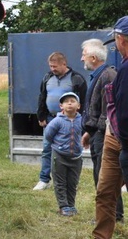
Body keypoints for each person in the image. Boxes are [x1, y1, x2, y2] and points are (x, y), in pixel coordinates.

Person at [88, 15, 128, 239]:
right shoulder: (122, 66)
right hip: (114, 137)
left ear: (122, 39)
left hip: (125, 139)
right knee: (105, 190)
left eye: (115, 40)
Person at [79, 39, 122, 220]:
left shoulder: (107, 75)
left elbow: (109, 111)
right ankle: (110, 214)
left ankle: (113, 215)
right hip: (97, 132)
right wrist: (89, 131)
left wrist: (101, 133)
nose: (82, 59)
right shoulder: (98, 75)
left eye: (84, 55)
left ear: (94, 57)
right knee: (100, 174)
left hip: (105, 134)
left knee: (106, 177)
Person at [34, 52, 86, 190]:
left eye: (55, 66)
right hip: (51, 118)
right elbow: (42, 96)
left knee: (69, 148)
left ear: (64, 64)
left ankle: (70, 179)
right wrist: (41, 116)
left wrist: (79, 120)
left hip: (70, 119)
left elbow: (84, 102)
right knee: (46, 148)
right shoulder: (47, 77)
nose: (52, 69)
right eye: (50, 66)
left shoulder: (77, 79)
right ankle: (44, 179)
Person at [44, 92, 84, 216]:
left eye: (73, 101)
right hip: (59, 156)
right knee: (60, 182)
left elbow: (86, 133)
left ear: (79, 106)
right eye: (66, 102)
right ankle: (63, 206)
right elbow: (48, 135)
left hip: (76, 157)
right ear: (61, 106)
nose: (70, 103)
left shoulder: (82, 121)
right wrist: (58, 147)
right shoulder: (57, 121)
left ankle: (71, 205)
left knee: (73, 182)